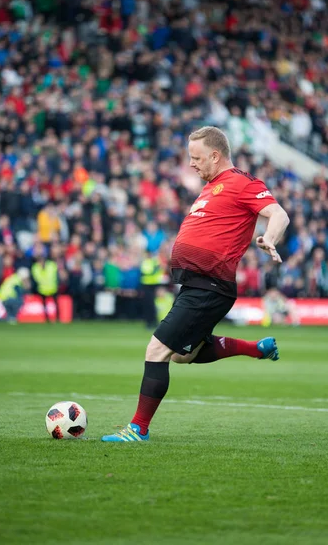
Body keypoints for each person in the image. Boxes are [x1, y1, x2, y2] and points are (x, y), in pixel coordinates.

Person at [102, 126, 289, 443]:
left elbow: (278, 214)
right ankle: (255, 349)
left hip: (210, 285)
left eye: (196, 157)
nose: (191, 164)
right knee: (183, 355)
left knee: (157, 349)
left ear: (216, 156)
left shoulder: (242, 183)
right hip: (195, 285)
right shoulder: (211, 187)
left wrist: (268, 239)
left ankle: (137, 429)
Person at [31, 255, 59, 322]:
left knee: (55, 304)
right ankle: (47, 318)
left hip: (52, 288)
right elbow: (37, 278)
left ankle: (58, 317)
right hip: (43, 290)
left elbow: (53, 276)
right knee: (45, 305)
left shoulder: (51, 265)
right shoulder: (35, 267)